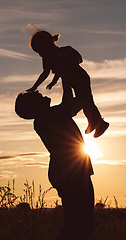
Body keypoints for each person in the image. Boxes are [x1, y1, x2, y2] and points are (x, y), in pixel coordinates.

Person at [15, 91, 94, 240]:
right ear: (34, 105)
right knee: (79, 226)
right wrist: (66, 75)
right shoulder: (49, 116)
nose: (39, 93)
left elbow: (71, 104)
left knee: (78, 225)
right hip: (71, 173)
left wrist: (66, 77)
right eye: (35, 96)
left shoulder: (47, 116)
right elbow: (76, 103)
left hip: (69, 171)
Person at [26, 30, 109, 138]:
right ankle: (94, 122)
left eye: (39, 51)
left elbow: (77, 60)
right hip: (67, 80)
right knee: (84, 100)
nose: (40, 54)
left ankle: (98, 123)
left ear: (46, 45)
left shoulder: (65, 51)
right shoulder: (47, 58)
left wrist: (67, 64)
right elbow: (47, 73)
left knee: (86, 100)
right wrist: (38, 85)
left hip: (79, 76)